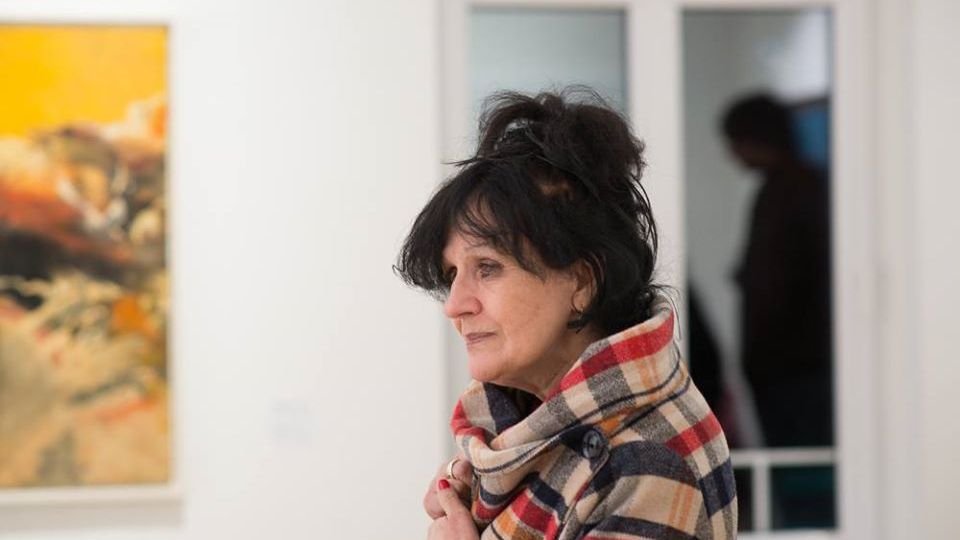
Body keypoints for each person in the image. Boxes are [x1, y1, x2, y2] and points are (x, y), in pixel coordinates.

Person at [396, 88, 737, 539]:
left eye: (488, 268)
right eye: (453, 273)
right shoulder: (538, 427)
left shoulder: (645, 468)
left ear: (581, 283)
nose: (455, 305)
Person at [721, 93, 833, 447]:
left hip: (795, 368)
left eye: (735, 141)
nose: (732, 153)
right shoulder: (793, 188)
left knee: (801, 460)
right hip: (791, 367)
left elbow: (776, 281)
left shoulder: (791, 192)